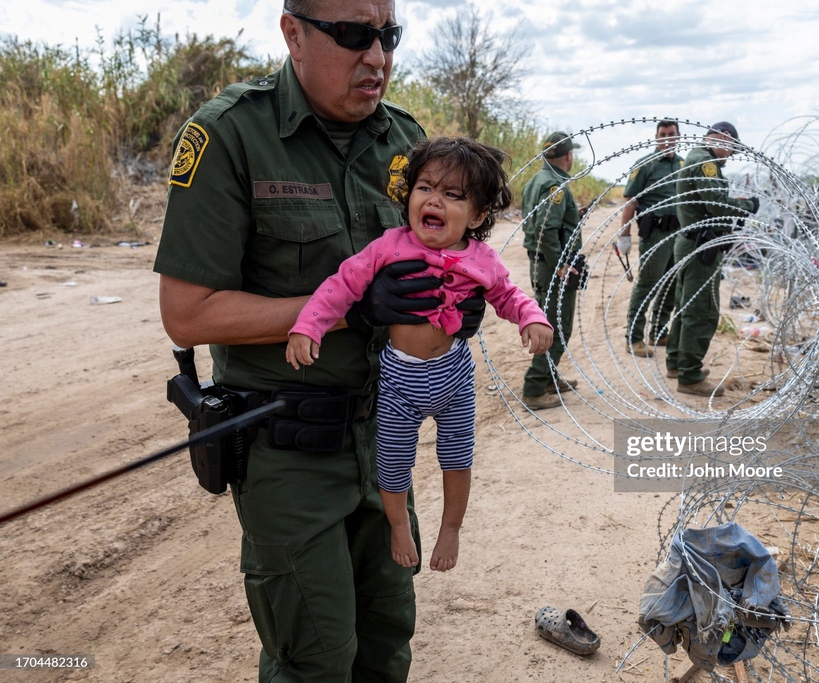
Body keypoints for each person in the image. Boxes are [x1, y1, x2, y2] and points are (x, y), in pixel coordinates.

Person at [154, 2, 485, 680]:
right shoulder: (230, 137)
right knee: (316, 655)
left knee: (386, 638)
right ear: (293, 34)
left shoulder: (406, 143)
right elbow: (188, 312)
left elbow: (434, 259)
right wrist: (344, 309)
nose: (378, 58)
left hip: (380, 438)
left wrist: (454, 301)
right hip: (288, 451)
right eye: (355, 36)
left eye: (388, 36)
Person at [286, 136, 553, 572]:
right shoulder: (389, 246)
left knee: (457, 457)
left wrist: (532, 319)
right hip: (398, 380)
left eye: (453, 195)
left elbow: (510, 295)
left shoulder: (482, 258)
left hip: (454, 378)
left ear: (478, 215)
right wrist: (308, 325)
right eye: (425, 187)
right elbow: (341, 285)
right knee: (391, 464)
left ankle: (451, 527)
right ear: (409, 195)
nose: (435, 200)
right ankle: (397, 525)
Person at [666, 122, 759, 397]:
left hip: (691, 242)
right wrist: (747, 206)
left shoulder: (696, 157)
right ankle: (690, 376)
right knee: (702, 311)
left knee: (686, 305)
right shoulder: (705, 161)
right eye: (732, 149)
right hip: (700, 247)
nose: (730, 156)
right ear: (724, 138)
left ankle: (677, 362)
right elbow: (715, 202)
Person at [520, 131, 584, 411]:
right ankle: (534, 387)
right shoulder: (555, 185)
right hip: (553, 264)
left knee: (551, 319)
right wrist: (562, 266)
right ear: (568, 156)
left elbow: (540, 222)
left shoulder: (537, 180)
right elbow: (547, 228)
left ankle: (548, 377)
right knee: (558, 326)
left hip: (542, 261)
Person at [618, 120, 684, 356]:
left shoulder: (683, 164)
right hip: (654, 234)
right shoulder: (645, 165)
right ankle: (634, 337)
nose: (667, 138)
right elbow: (630, 200)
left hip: (677, 233)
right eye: (663, 134)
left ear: (679, 137)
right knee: (647, 285)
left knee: (671, 284)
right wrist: (624, 235)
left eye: (672, 134)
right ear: (656, 137)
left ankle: (658, 330)